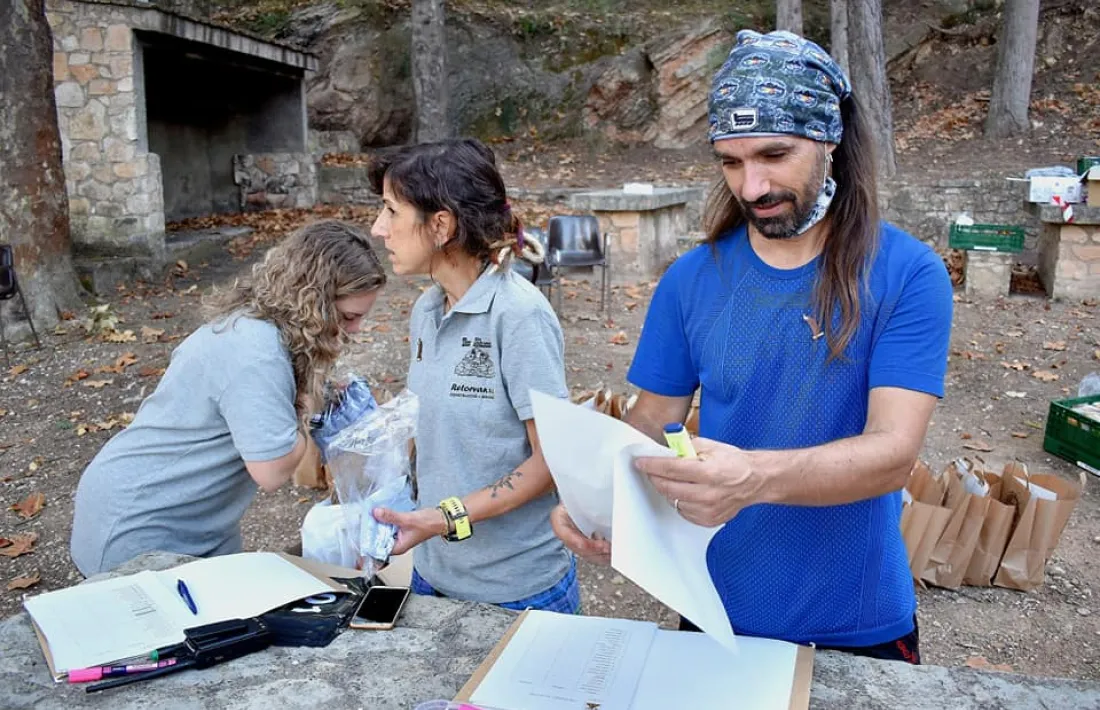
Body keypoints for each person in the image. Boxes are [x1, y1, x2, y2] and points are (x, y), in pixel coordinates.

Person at [551, 30, 953, 663]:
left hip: (855, 614)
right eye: (730, 162)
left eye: (774, 154)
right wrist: (603, 503)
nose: (752, 186)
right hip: (713, 602)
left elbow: (892, 456)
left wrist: (753, 478)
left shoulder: (906, 272)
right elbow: (653, 422)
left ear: (830, 141)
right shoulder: (693, 277)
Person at [70, 220, 387, 576]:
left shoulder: (258, 325)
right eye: (348, 317)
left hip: (195, 522)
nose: (356, 329)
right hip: (140, 526)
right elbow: (273, 470)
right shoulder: (257, 351)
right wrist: (308, 403)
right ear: (314, 302)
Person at [368, 138, 578, 613]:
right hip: (433, 574)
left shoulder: (519, 316)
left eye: (391, 211)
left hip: (518, 591)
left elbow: (552, 462)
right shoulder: (426, 310)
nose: (379, 229)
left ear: (440, 224)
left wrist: (444, 518)